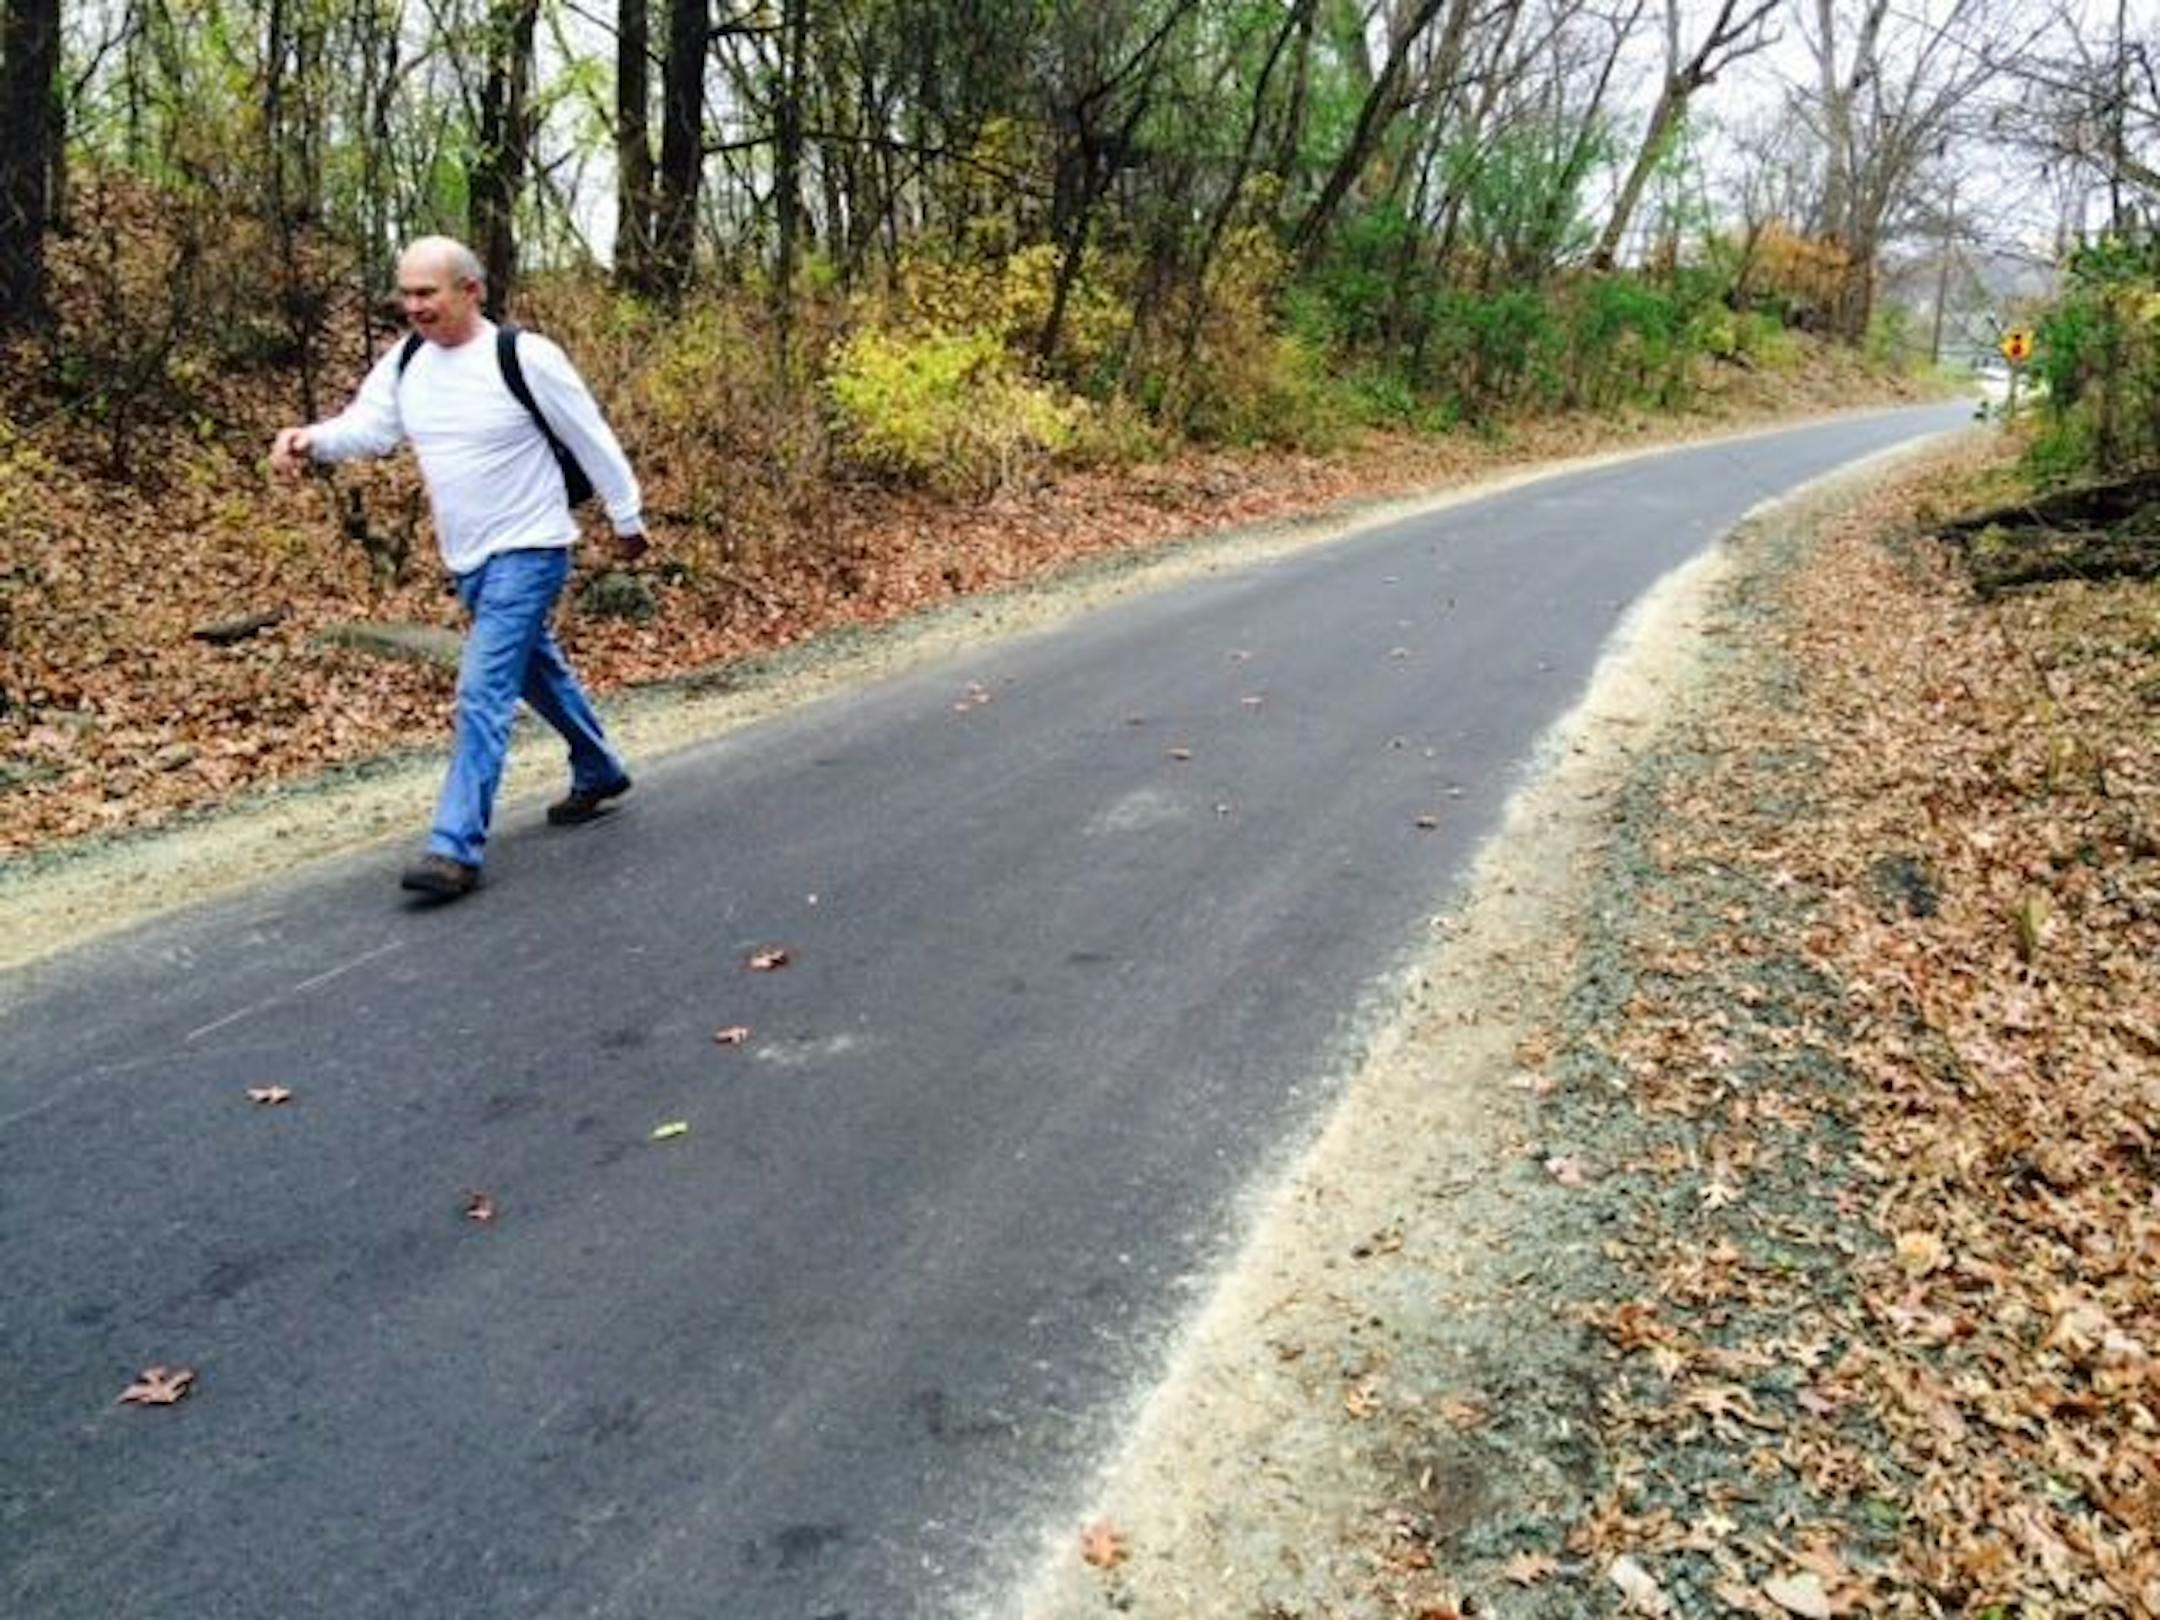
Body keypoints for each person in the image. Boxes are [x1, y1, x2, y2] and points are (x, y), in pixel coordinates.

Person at [271, 236, 649, 900]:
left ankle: (454, 846)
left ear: (471, 291)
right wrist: (311, 440)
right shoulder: (407, 361)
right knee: (534, 670)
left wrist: (626, 516)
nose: (414, 306)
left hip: (531, 546)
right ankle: (597, 767)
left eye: (428, 293)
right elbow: (371, 428)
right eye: (407, 294)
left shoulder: (524, 357)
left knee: (483, 689)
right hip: (467, 555)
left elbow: (589, 434)